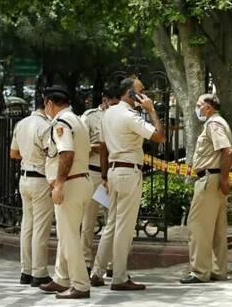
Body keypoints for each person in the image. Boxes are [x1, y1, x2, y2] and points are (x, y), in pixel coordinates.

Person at [89, 78, 165, 290]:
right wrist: (150, 110)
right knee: (124, 226)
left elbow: (103, 148)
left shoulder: (108, 113)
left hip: (113, 172)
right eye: (141, 91)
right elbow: (160, 136)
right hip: (128, 172)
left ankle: (97, 272)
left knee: (112, 224)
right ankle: (120, 277)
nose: (144, 94)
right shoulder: (128, 115)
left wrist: (104, 175)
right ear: (130, 93)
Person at [38, 86, 92, 299]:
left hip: (70, 184)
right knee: (66, 233)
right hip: (80, 182)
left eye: (45, 105)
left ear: (49, 103)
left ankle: (80, 285)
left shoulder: (61, 123)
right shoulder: (77, 119)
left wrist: (59, 184)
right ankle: (62, 278)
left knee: (69, 237)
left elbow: (66, 153)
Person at [180, 94, 232, 284]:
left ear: (208, 108)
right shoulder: (219, 122)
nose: (197, 109)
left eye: (199, 105)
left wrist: (224, 179)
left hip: (210, 179)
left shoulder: (213, 124)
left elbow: (227, 151)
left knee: (198, 227)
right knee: (217, 229)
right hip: (215, 179)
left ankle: (199, 271)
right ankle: (217, 270)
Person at [9, 95, 53, 287]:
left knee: (27, 226)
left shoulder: (21, 124)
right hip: (40, 178)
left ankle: (25, 271)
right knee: (40, 228)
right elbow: (51, 153)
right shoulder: (45, 126)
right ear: (46, 105)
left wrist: (28, 156)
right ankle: (39, 273)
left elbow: (13, 154)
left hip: (25, 178)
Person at [80, 87, 119, 275]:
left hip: (113, 173)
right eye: (112, 102)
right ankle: (86, 262)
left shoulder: (120, 116)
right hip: (94, 173)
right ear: (104, 100)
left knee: (112, 220)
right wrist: (97, 147)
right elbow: (79, 144)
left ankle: (110, 263)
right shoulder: (90, 117)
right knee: (88, 222)